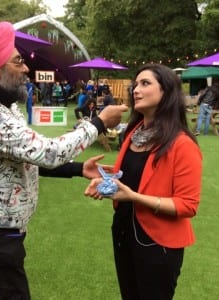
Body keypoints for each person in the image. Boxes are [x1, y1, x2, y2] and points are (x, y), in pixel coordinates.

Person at [0, 21, 128, 300]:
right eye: (18, 61)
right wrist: (98, 123)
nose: (26, 69)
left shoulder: (3, 106)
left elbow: (28, 157)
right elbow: (47, 152)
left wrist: (79, 168)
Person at [85, 64, 202, 300]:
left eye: (145, 83)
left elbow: (187, 205)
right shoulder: (133, 131)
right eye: (135, 84)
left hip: (159, 243)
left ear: (166, 92)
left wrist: (134, 197)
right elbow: (129, 178)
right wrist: (104, 180)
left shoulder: (182, 144)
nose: (136, 89)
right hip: (124, 231)